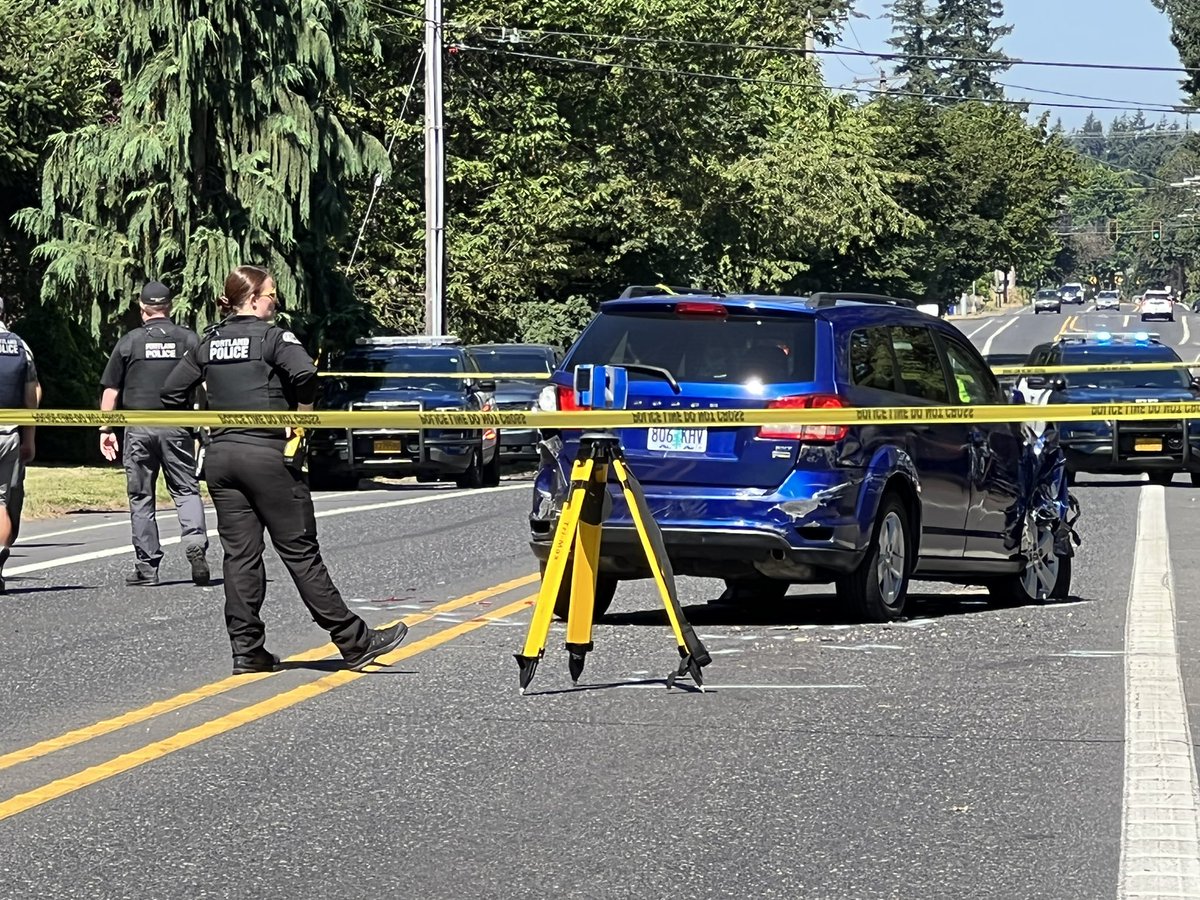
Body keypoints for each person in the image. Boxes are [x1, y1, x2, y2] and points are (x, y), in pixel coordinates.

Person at [160, 265, 407, 675]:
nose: (276, 301)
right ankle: (354, 640)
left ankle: (247, 651)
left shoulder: (210, 342)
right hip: (267, 456)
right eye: (272, 294)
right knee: (300, 551)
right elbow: (306, 373)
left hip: (222, 459)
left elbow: (171, 391)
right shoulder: (274, 337)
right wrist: (302, 413)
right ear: (254, 298)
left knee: (240, 557)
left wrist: (202, 425)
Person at [99, 281, 210, 587]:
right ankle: (195, 543)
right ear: (170, 307)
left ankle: (147, 567)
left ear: (142, 308)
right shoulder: (189, 339)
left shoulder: (129, 342)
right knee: (186, 490)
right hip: (176, 426)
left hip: (137, 428)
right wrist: (204, 423)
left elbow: (111, 390)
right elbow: (205, 384)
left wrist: (106, 429)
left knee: (141, 497)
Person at [0, 297, 40, 593]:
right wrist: (29, 438)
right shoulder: (19, 346)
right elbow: (31, 395)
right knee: (0, 501)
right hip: (9, 435)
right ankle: (0, 552)